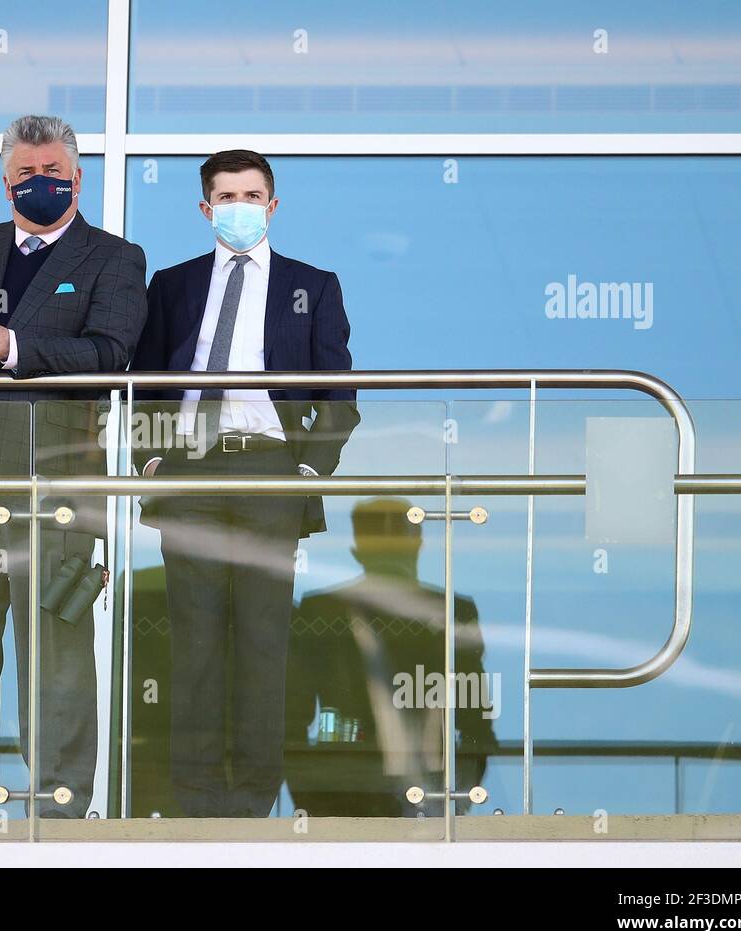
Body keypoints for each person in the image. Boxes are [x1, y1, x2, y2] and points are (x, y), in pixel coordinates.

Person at [0, 115, 147, 819]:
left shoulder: (114, 257)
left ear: (79, 177)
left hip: (55, 478)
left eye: (53, 173)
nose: (40, 184)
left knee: (58, 650)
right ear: (4, 180)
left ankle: (60, 810)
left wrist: (14, 346)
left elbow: (110, 356)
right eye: (26, 174)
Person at [128, 149, 360, 817]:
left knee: (263, 644)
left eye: (252, 195)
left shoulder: (312, 285)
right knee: (195, 645)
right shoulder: (171, 286)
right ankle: (198, 803)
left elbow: (339, 393)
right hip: (191, 468)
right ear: (206, 209)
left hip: (270, 468)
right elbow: (142, 385)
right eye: (227, 196)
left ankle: (253, 802)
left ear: (273, 205)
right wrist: (152, 461)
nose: (240, 207)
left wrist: (308, 471)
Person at [285, 498, 498, 817]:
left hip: (428, 785)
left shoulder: (452, 611)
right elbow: (294, 715)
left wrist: (461, 792)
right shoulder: (322, 611)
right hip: (345, 786)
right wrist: (310, 793)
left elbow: (475, 715)